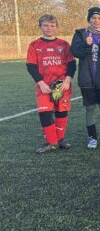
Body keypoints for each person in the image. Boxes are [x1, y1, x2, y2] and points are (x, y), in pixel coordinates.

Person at [26, 14, 76, 153]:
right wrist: (40, 82)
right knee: (45, 113)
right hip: (44, 86)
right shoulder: (34, 45)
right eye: (46, 25)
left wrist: (67, 80)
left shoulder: (64, 44)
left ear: (56, 27)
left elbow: (72, 64)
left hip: (62, 85)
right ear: (40, 27)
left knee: (62, 111)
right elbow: (31, 66)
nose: (49, 28)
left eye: (52, 25)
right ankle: (51, 142)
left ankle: (60, 140)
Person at [71, 6, 100, 149]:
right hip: (87, 79)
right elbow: (75, 52)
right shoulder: (80, 34)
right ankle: (92, 138)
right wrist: (87, 44)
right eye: (93, 18)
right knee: (90, 108)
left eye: (99, 18)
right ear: (89, 19)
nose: (96, 20)